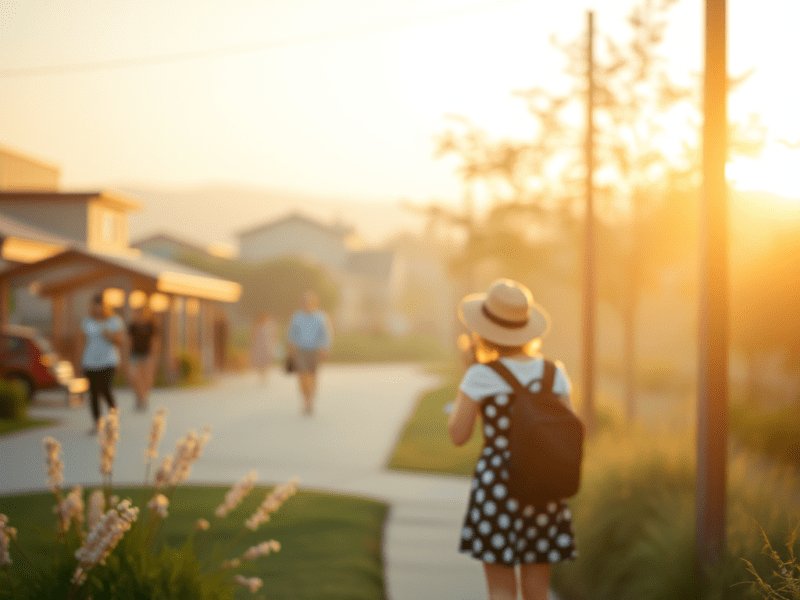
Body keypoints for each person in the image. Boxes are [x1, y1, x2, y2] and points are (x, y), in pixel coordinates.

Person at [448, 279, 577, 600]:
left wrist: (469, 375)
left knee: (501, 589)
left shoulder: (480, 375)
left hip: (497, 486)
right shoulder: (554, 373)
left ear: (483, 330)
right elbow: (573, 429)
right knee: (536, 590)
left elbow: (458, 435)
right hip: (543, 487)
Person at [76, 292, 126, 434]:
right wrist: (78, 363)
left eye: (101, 306)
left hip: (108, 362)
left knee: (105, 390)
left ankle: (113, 420)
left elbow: (121, 341)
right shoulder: (87, 322)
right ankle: (97, 423)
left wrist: (109, 335)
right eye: (95, 306)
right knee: (93, 393)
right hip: (90, 362)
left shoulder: (114, 321)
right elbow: (80, 343)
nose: (98, 309)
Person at [286, 291, 332, 416]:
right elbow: (291, 333)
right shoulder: (297, 316)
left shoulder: (321, 316)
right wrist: (291, 347)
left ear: (314, 303)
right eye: (304, 301)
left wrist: (325, 349)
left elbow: (326, 334)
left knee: (313, 376)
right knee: (302, 376)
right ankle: (305, 400)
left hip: (315, 351)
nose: (307, 304)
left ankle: (310, 401)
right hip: (300, 350)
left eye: (309, 302)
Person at [127, 304, 161, 411]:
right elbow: (129, 341)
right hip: (135, 355)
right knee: (136, 378)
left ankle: (144, 397)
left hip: (147, 355)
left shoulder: (151, 326)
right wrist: (126, 356)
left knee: (147, 378)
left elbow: (155, 341)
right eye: (138, 312)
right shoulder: (132, 326)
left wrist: (154, 356)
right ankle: (139, 397)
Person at [250, 311, 277, 385]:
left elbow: (274, 336)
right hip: (259, 346)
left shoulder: (270, 325)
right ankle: (261, 374)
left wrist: (274, 344)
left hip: (267, 346)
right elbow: (253, 336)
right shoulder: (257, 325)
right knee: (260, 361)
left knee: (266, 360)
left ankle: (264, 374)